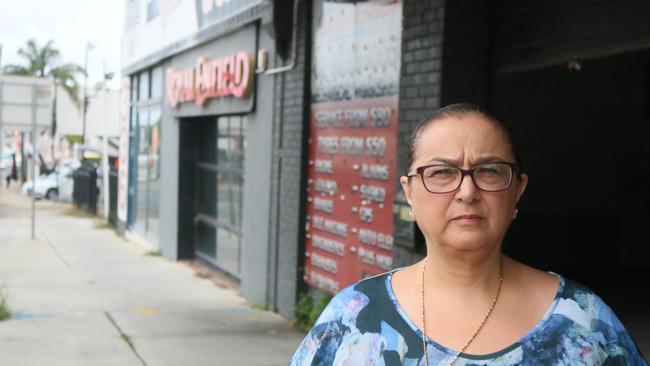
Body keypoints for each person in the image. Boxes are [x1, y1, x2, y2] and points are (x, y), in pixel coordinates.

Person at [289, 104, 648, 365]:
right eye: (442, 172)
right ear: (410, 193)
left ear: (517, 191)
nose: (466, 191)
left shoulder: (585, 321)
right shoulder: (353, 316)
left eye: (489, 170)